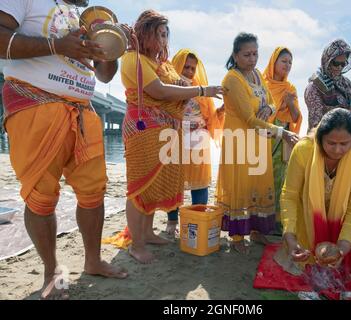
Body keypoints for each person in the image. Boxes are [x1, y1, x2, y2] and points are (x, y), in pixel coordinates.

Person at [0, 0, 128, 299]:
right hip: (35, 103)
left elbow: (105, 74)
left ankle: (93, 260)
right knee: (41, 196)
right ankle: (51, 272)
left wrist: (111, 43)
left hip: (83, 109)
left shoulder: (83, 15)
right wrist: (57, 45)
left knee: (94, 193)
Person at [118, 10, 223, 263]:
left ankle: (148, 233)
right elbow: (161, 91)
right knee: (140, 186)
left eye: (166, 35)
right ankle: (137, 243)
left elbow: (182, 84)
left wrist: (199, 88)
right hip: (143, 129)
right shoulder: (133, 59)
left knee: (154, 185)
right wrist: (202, 89)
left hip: (166, 131)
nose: (164, 40)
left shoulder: (162, 64)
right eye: (159, 34)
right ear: (144, 33)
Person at [215, 33, 299, 254]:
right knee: (240, 187)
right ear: (235, 55)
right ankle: (236, 237)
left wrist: (270, 109)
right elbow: (249, 119)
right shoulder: (232, 79)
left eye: (255, 54)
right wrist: (282, 133)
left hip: (260, 141)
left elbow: (271, 100)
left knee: (258, 185)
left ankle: (255, 230)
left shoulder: (257, 75)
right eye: (246, 54)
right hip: (240, 141)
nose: (252, 59)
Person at [278, 108, 351, 275]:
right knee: (302, 269)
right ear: (319, 138)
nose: (337, 150)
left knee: (344, 274)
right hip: (307, 221)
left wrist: (342, 249)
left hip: (344, 227)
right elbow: (290, 196)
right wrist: (291, 238)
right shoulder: (304, 150)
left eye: (344, 144)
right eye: (331, 143)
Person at [165, 49, 225, 235]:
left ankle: (197, 219)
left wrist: (221, 111)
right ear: (176, 65)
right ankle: (172, 221)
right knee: (174, 182)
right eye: (186, 67)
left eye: (193, 68)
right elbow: (164, 113)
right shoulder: (169, 86)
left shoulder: (201, 89)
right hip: (176, 138)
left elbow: (210, 118)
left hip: (199, 141)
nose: (190, 71)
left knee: (200, 183)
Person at [263, 46, 302, 234]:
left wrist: (291, 102)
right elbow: (259, 115)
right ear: (273, 62)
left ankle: (277, 221)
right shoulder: (262, 84)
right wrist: (280, 105)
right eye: (284, 61)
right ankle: (260, 220)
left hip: (284, 139)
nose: (287, 65)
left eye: (290, 63)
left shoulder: (290, 88)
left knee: (280, 178)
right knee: (262, 176)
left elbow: (295, 118)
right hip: (264, 136)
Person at [305, 39, 351, 131]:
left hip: (347, 137)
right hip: (325, 138)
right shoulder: (314, 86)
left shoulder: (347, 84)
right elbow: (316, 123)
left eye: (343, 64)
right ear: (327, 61)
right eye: (336, 63)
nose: (340, 67)